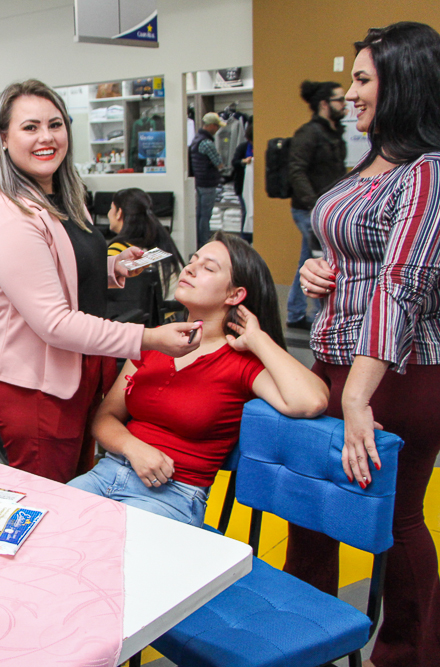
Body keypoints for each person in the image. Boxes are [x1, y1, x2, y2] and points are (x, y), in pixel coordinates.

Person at [292, 22, 440, 667]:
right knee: (312, 503)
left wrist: (357, 397)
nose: (348, 92)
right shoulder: (372, 159)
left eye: (361, 79)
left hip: (396, 373)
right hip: (337, 359)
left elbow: (405, 285)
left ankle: (408, 652)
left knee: (395, 519)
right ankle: (302, 632)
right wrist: (316, 273)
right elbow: (354, 255)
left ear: (402, 84)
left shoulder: (429, 171)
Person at [0, 79, 203, 484]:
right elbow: (55, 324)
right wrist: (149, 339)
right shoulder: (9, 217)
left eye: (55, 124)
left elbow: (59, 269)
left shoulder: (61, 192)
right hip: (36, 389)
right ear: (4, 138)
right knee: (51, 505)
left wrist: (111, 270)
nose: (47, 137)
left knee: (78, 490)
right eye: (30, 127)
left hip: (81, 373)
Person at [69, 232, 328, 526]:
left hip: (171, 496)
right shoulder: (158, 340)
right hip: (105, 475)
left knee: (102, 549)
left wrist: (257, 339)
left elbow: (311, 401)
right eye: (193, 261)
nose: (190, 268)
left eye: (208, 267)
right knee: (44, 532)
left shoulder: (241, 363)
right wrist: (133, 447)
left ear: (234, 295)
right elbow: (105, 418)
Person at [286, 80, 348, 330]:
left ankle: (295, 312)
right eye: (340, 100)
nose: (346, 104)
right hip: (310, 210)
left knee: (308, 260)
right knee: (322, 261)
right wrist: (315, 205)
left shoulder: (334, 132)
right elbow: (296, 170)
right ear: (324, 104)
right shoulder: (309, 133)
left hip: (326, 209)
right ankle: (319, 315)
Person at [105, 188, 184, 292]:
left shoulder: (120, 250)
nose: (108, 214)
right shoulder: (160, 240)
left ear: (119, 213)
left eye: (111, 209)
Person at [190, 112, 226, 249]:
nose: (217, 129)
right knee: (206, 215)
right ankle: (205, 243)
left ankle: (199, 241)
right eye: (216, 126)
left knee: (199, 215)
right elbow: (218, 163)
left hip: (198, 182)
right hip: (208, 183)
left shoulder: (196, 139)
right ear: (211, 126)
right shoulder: (207, 142)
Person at [231, 122, 254, 242]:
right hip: (242, 186)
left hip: (257, 187)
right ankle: (246, 239)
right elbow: (234, 162)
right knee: (246, 211)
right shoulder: (243, 148)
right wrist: (243, 162)